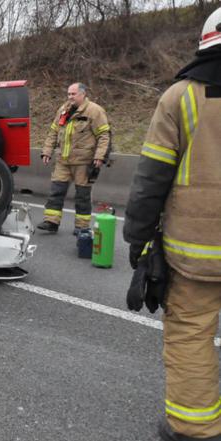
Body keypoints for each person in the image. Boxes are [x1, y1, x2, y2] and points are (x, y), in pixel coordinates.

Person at [124, 7, 221, 440]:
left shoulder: (181, 97)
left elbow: (151, 178)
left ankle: (194, 428)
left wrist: (138, 236)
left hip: (198, 252)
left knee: (191, 332)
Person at [37, 83, 111, 234]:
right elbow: (53, 132)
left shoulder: (94, 111)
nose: (70, 97)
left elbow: (104, 135)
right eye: (69, 94)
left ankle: (81, 227)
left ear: (83, 94)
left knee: (82, 196)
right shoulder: (63, 110)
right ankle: (51, 221)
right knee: (56, 192)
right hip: (63, 161)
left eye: (73, 94)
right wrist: (47, 151)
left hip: (83, 163)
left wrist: (99, 156)